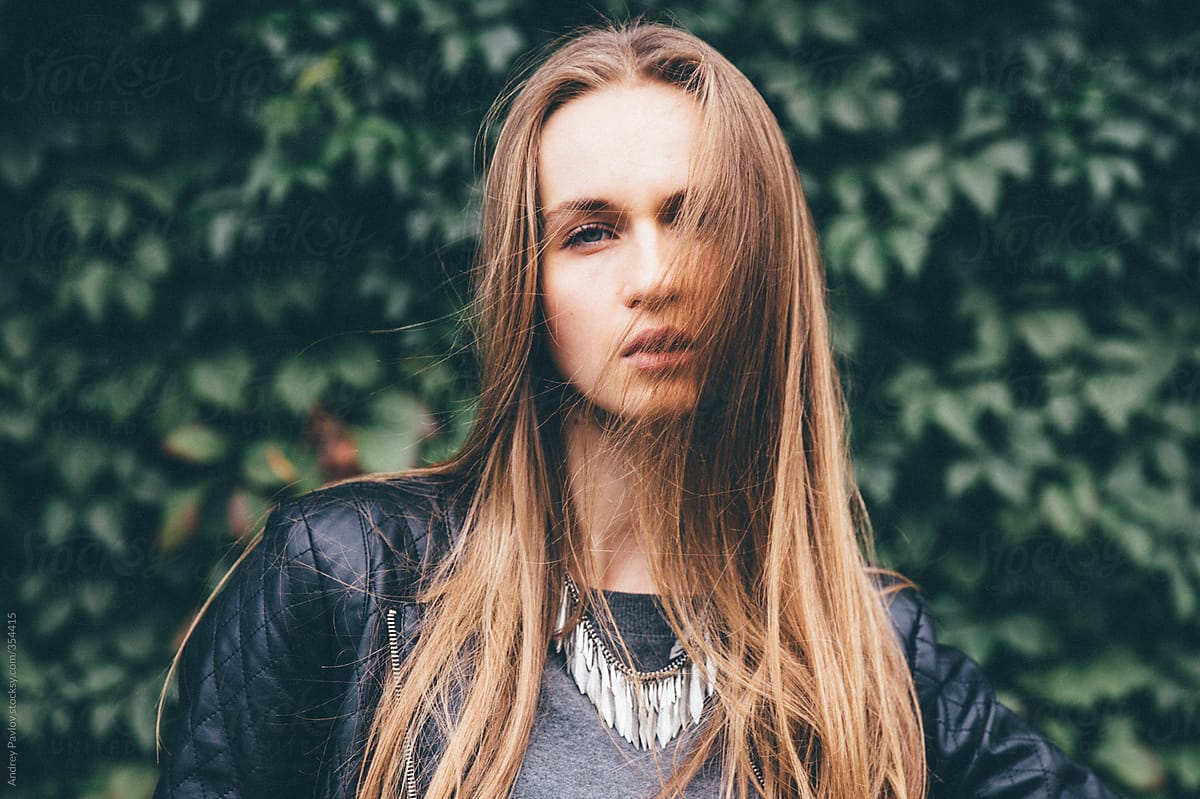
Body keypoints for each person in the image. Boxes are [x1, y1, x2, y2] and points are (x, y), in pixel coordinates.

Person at [155, 21, 1120, 799]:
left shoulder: (869, 647)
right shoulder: (349, 580)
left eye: (695, 218)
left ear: (763, 263)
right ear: (526, 286)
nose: (652, 278)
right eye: (590, 232)